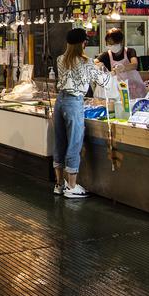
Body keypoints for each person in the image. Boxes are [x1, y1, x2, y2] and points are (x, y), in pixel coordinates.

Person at [53, 28, 113, 199]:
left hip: (60, 101)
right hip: (74, 102)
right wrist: (110, 72)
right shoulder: (86, 62)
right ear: (83, 43)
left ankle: (59, 184)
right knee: (74, 141)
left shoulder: (60, 59)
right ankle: (72, 186)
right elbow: (103, 81)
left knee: (59, 141)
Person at [94, 28, 147, 98]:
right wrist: (98, 65)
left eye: (113, 43)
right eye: (109, 44)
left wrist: (123, 68)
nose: (111, 46)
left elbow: (134, 65)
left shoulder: (130, 51)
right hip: (119, 88)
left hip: (135, 87)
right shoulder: (106, 54)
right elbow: (94, 62)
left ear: (121, 42)